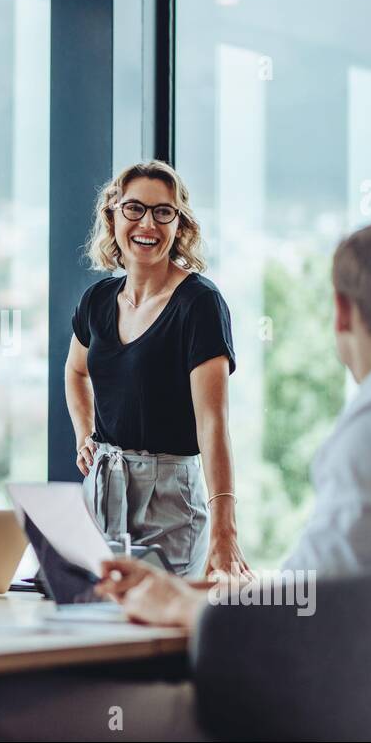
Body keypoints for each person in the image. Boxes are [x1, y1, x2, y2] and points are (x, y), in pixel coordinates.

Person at [0, 216, 371, 740]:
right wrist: (187, 590)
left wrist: (180, 606)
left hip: (299, 719)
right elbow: (333, 588)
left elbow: (305, 617)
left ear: (341, 313)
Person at [67, 160, 247, 578]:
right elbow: (76, 372)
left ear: (179, 224)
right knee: (97, 624)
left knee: (160, 632)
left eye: (162, 211)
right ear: (112, 216)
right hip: (102, 488)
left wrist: (225, 529)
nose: (147, 223)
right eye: (134, 209)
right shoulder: (96, 300)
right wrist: (83, 435)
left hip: (170, 498)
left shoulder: (199, 304)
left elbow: (213, 422)